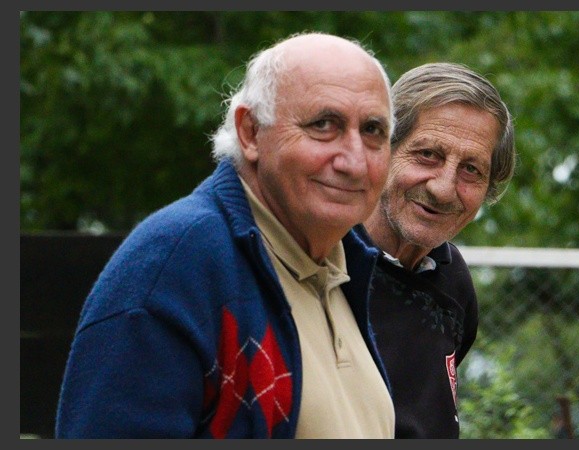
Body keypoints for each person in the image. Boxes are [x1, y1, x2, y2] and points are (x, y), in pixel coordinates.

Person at [55, 32, 397, 439]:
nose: (355, 161)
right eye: (324, 125)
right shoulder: (175, 264)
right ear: (251, 132)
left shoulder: (346, 265)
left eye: (374, 130)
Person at [354, 62, 516, 438]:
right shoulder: (319, 260)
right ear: (383, 150)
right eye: (428, 154)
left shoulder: (453, 283)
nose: (444, 188)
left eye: (472, 170)